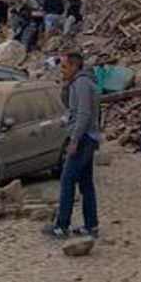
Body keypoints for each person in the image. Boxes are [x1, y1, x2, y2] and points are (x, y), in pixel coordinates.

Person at [47, 51, 101, 239]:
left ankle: (62, 226)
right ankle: (91, 225)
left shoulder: (81, 84)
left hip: (84, 138)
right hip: (88, 137)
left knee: (67, 180)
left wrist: (74, 139)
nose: (62, 71)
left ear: (74, 66)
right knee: (85, 183)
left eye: (64, 67)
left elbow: (83, 113)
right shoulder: (78, 83)